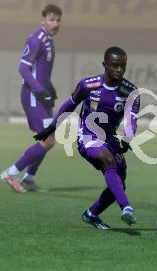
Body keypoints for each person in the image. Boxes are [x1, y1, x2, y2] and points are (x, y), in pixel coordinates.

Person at [33, 46, 140, 229]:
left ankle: (91, 214)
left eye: (123, 66)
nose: (119, 70)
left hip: (111, 139)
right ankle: (127, 208)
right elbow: (69, 105)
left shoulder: (131, 92)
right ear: (104, 65)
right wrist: (52, 126)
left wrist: (127, 139)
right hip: (87, 136)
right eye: (115, 65)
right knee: (108, 161)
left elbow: (132, 119)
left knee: (119, 183)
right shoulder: (88, 85)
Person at [1, 4, 62, 192]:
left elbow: (41, 71)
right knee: (48, 140)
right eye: (52, 19)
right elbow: (23, 68)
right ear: (42, 20)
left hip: (43, 96)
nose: (56, 23)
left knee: (48, 140)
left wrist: (49, 88)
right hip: (33, 95)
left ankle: (29, 178)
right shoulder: (36, 39)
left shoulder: (48, 40)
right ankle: (11, 173)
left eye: (58, 20)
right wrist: (38, 89)